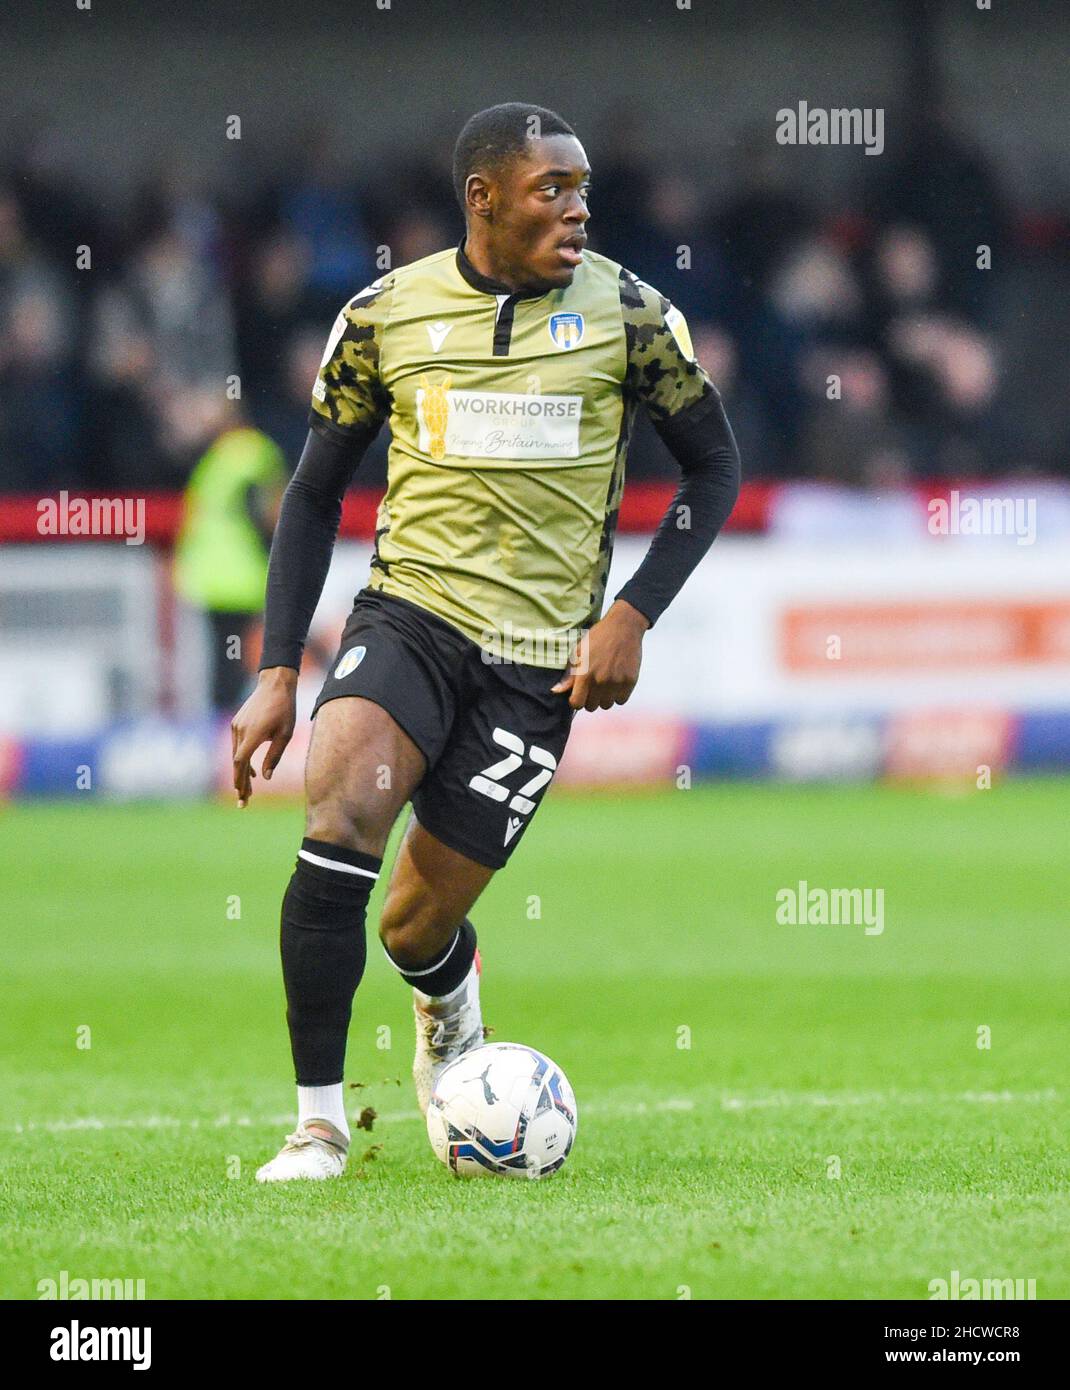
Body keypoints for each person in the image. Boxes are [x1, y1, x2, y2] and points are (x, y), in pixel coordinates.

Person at [231, 103, 741, 1182]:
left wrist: (630, 613)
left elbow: (711, 470)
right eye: (550, 189)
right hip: (409, 615)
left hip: (538, 659)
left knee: (412, 924)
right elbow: (314, 493)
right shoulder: (383, 316)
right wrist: (279, 671)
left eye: (582, 188)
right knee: (340, 806)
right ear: (483, 198)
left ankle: (447, 1006)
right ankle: (317, 1126)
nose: (576, 208)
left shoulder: (633, 318)